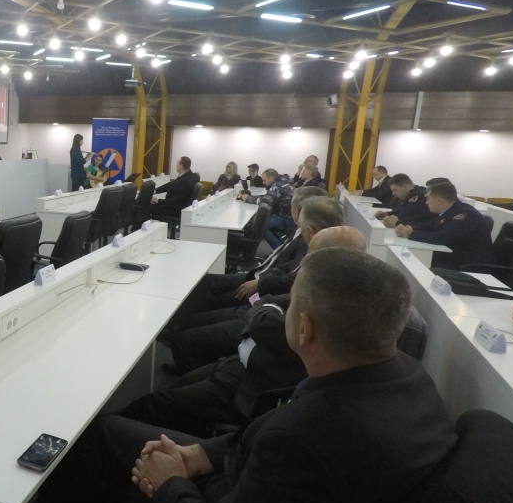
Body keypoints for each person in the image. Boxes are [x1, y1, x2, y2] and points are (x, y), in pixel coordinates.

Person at [0, 248, 456, 503]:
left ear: (303, 328)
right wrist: (202, 453)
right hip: (264, 497)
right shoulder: (408, 380)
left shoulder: (308, 437)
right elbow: (275, 432)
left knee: (121, 465)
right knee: (109, 434)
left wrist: (172, 481)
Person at [121, 226, 367, 436]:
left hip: (250, 385)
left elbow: (264, 323)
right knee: (170, 389)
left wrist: (265, 309)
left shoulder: (332, 308)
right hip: (238, 361)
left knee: (151, 405)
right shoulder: (330, 288)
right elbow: (269, 304)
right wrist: (266, 308)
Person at [163, 197, 346, 374]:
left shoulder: (318, 260)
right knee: (198, 309)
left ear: (310, 231)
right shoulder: (331, 257)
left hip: (264, 320)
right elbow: (286, 275)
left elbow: (290, 291)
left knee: (187, 335)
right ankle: (185, 340)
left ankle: (185, 353)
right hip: (264, 306)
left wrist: (260, 300)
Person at [170, 186, 327, 318]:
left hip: (263, 285)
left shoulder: (307, 239)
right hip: (262, 275)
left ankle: (186, 323)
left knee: (213, 292)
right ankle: (182, 320)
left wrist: (261, 283)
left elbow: (290, 277)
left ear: (298, 211)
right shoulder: (301, 232)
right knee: (207, 282)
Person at [395, 181, 494, 269]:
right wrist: (409, 228)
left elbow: (442, 238)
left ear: (439, 200)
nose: (426, 202)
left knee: (415, 263)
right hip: (452, 256)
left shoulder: (465, 215)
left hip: (467, 264)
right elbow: (429, 225)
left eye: (428, 199)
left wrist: (410, 234)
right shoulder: (450, 211)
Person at [240, 168, 294, 249]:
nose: (263, 183)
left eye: (264, 180)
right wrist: (252, 197)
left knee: (261, 227)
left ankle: (279, 251)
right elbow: (269, 197)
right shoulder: (284, 183)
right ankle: (281, 247)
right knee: (264, 225)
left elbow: (267, 200)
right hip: (288, 214)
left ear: (271, 178)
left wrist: (247, 198)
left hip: (286, 217)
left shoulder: (277, 186)